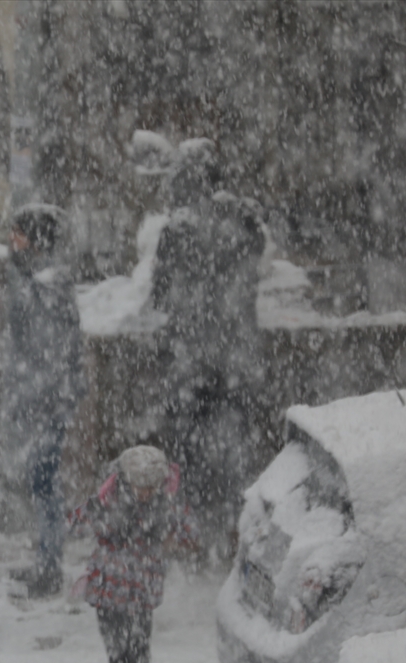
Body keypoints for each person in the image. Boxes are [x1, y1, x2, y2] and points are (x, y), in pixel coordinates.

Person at [149, 139, 268, 560]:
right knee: (234, 454)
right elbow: (253, 270)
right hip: (235, 360)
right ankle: (236, 535)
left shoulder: (177, 232)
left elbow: (160, 295)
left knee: (188, 459)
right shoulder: (244, 225)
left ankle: (193, 537)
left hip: (191, 362)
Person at [70, 444, 198, 663]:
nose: (144, 493)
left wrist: (171, 534)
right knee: (119, 651)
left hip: (141, 591)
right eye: (139, 487)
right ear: (127, 480)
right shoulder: (108, 496)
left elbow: (190, 533)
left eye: (150, 487)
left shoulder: (168, 502)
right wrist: (109, 524)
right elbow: (78, 521)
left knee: (139, 655)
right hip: (109, 589)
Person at [0, 203, 86, 598]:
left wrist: (43, 397)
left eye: (18, 233)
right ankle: (45, 560)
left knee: (44, 482)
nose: (11, 240)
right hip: (39, 397)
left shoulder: (47, 286)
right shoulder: (36, 278)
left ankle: (50, 568)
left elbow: (51, 349)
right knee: (40, 483)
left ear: (35, 240)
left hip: (47, 401)